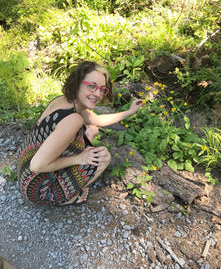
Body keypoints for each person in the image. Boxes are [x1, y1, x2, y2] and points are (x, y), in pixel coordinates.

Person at [17, 61, 143, 206]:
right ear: (77, 83)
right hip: (37, 189)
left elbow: (98, 120)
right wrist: (79, 158)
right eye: (92, 86)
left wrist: (129, 112)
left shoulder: (64, 101)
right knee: (102, 158)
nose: (98, 94)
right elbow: (37, 166)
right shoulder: (73, 119)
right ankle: (67, 199)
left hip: (24, 168)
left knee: (91, 129)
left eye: (102, 89)